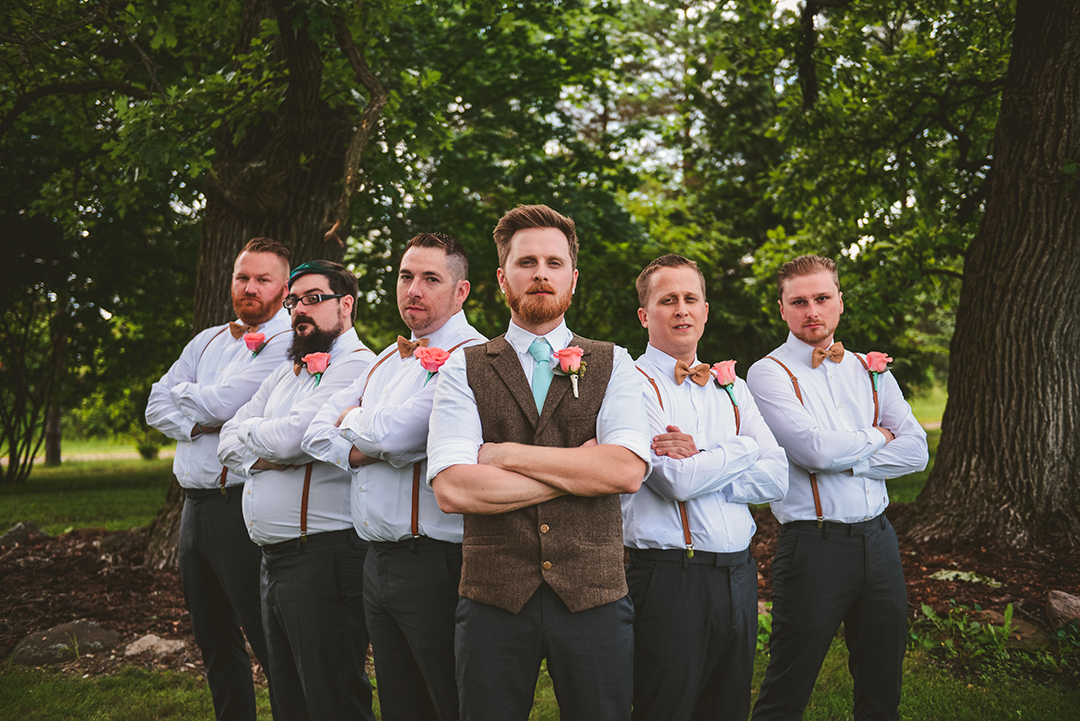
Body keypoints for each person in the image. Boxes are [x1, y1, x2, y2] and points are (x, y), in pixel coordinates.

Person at [427, 204, 651, 721]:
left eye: (554, 263)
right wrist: (579, 469)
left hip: (594, 595)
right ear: (502, 277)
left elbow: (625, 472)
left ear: (574, 278)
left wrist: (504, 456)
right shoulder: (464, 367)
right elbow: (454, 489)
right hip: (492, 599)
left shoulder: (614, 361)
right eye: (527, 263)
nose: (541, 274)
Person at [301, 232, 485, 721]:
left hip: (439, 561)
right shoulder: (384, 359)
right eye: (406, 276)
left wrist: (359, 427)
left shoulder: (476, 356)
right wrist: (369, 447)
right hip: (375, 562)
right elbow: (316, 432)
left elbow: (397, 433)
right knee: (401, 706)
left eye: (430, 278)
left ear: (461, 291)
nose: (413, 290)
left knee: (452, 701)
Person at [746, 255, 928, 721]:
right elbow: (812, 452)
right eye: (799, 301)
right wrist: (878, 437)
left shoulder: (870, 368)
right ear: (782, 309)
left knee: (882, 683)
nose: (812, 311)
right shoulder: (767, 373)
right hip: (814, 545)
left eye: (822, 299)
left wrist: (850, 464)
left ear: (839, 303)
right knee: (789, 685)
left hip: (880, 540)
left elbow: (917, 451)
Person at [625, 254, 788, 721]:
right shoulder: (630, 384)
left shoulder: (731, 385)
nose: (681, 310)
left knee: (729, 708)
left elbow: (778, 478)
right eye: (667, 300)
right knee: (665, 708)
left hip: (739, 575)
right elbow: (673, 480)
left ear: (705, 310)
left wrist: (704, 456)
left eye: (690, 299)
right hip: (668, 579)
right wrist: (741, 449)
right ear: (644, 315)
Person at [218, 260, 376, 721]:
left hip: (324, 557)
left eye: (313, 299)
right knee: (289, 700)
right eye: (293, 302)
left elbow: (295, 439)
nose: (298, 311)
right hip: (274, 560)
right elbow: (228, 438)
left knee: (332, 698)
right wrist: (266, 448)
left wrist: (262, 440)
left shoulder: (359, 366)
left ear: (345, 304)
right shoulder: (287, 371)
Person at [145, 236, 292, 721]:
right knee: (213, 637)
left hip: (239, 506)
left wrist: (191, 400)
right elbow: (155, 404)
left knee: (265, 632)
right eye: (242, 277)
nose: (249, 287)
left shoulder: (287, 341)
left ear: (285, 287)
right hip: (195, 508)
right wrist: (198, 419)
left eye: (262, 279)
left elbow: (226, 405)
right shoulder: (205, 339)